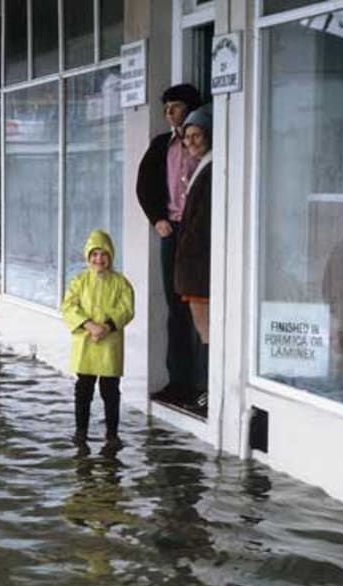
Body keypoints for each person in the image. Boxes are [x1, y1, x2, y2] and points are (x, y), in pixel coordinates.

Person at [136, 83, 203, 407]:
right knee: (175, 308)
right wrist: (157, 219)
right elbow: (144, 184)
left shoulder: (202, 142)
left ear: (191, 108)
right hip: (172, 231)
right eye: (166, 109)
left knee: (200, 305)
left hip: (200, 234)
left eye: (175, 107)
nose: (169, 114)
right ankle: (179, 382)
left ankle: (203, 383)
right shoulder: (162, 144)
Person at [61, 229, 135, 452]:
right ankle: (80, 432)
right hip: (85, 343)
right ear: (87, 256)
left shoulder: (121, 283)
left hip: (110, 344)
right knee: (83, 388)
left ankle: (112, 434)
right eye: (94, 254)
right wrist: (88, 325)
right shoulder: (79, 281)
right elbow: (68, 306)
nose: (99, 259)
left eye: (103, 254)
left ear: (110, 256)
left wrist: (108, 326)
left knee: (110, 390)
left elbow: (127, 308)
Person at [173, 107, 213, 414]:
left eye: (197, 135)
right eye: (187, 137)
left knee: (207, 330)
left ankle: (208, 389)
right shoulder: (203, 167)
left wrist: (185, 248)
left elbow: (201, 223)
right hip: (195, 268)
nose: (191, 141)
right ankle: (206, 389)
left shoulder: (210, 169)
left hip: (199, 269)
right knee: (203, 329)